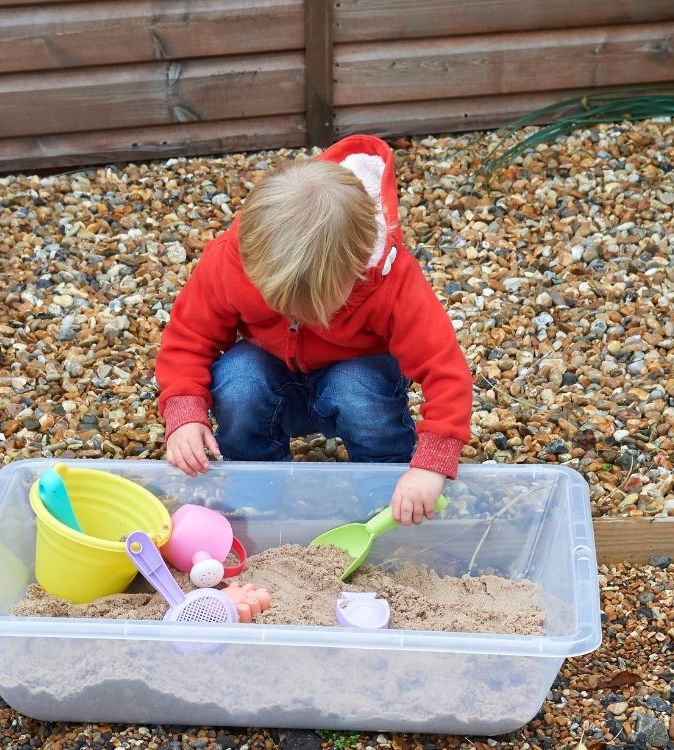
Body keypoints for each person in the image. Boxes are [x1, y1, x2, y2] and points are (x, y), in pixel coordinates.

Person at [155, 134, 472, 525]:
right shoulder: (229, 260)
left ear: (357, 267)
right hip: (270, 372)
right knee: (238, 379)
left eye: (311, 307)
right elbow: (190, 337)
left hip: (357, 375)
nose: (289, 313)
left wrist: (431, 464)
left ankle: (387, 500)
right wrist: (184, 412)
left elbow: (444, 368)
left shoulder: (390, 279)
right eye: (275, 299)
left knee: (356, 391)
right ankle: (257, 500)